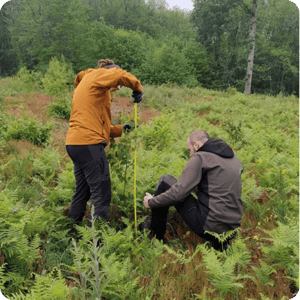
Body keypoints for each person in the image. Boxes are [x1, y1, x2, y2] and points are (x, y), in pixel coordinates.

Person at [66, 59, 143, 225]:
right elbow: (118, 75)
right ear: (108, 71)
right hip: (89, 145)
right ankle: (99, 242)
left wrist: (123, 129)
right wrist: (137, 87)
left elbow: (101, 128)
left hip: (75, 143)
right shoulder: (98, 75)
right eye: (117, 85)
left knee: (83, 190)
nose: (117, 88)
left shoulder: (92, 86)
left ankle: (70, 231)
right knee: (101, 192)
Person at [141, 130, 243, 251]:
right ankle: (220, 245)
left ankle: (155, 238)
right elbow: (214, 188)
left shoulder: (200, 157)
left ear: (196, 145)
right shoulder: (233, 158)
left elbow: (178, 193)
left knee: (165, 181)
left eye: (189, 150)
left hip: (209, 227)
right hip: (232, 229)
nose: (190, 155)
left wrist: (152, 202)